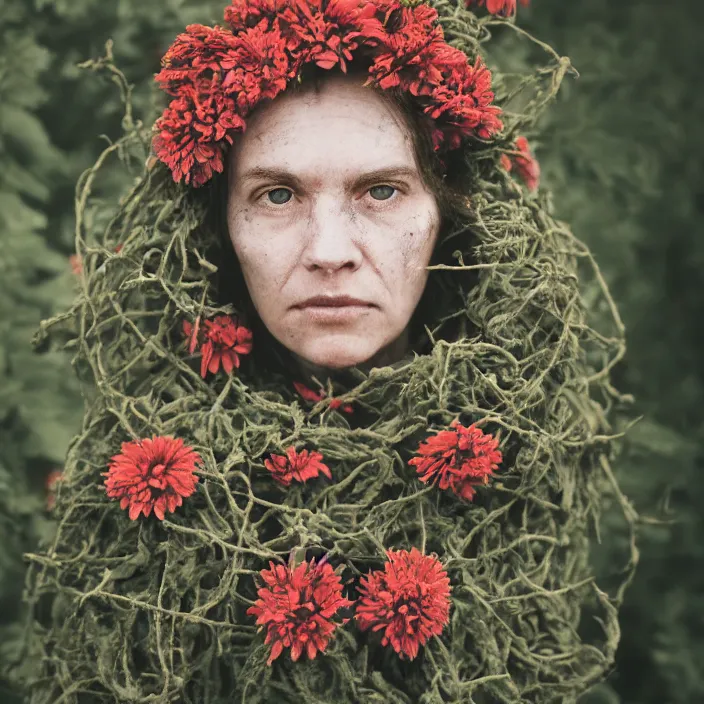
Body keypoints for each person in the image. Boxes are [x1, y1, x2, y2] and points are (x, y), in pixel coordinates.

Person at [15, 1, 634, 702]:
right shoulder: (134, 536)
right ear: (218, 227)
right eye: (277, 195)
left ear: (449, 214)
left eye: (381, 191)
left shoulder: (529, 475)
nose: (330, 253)